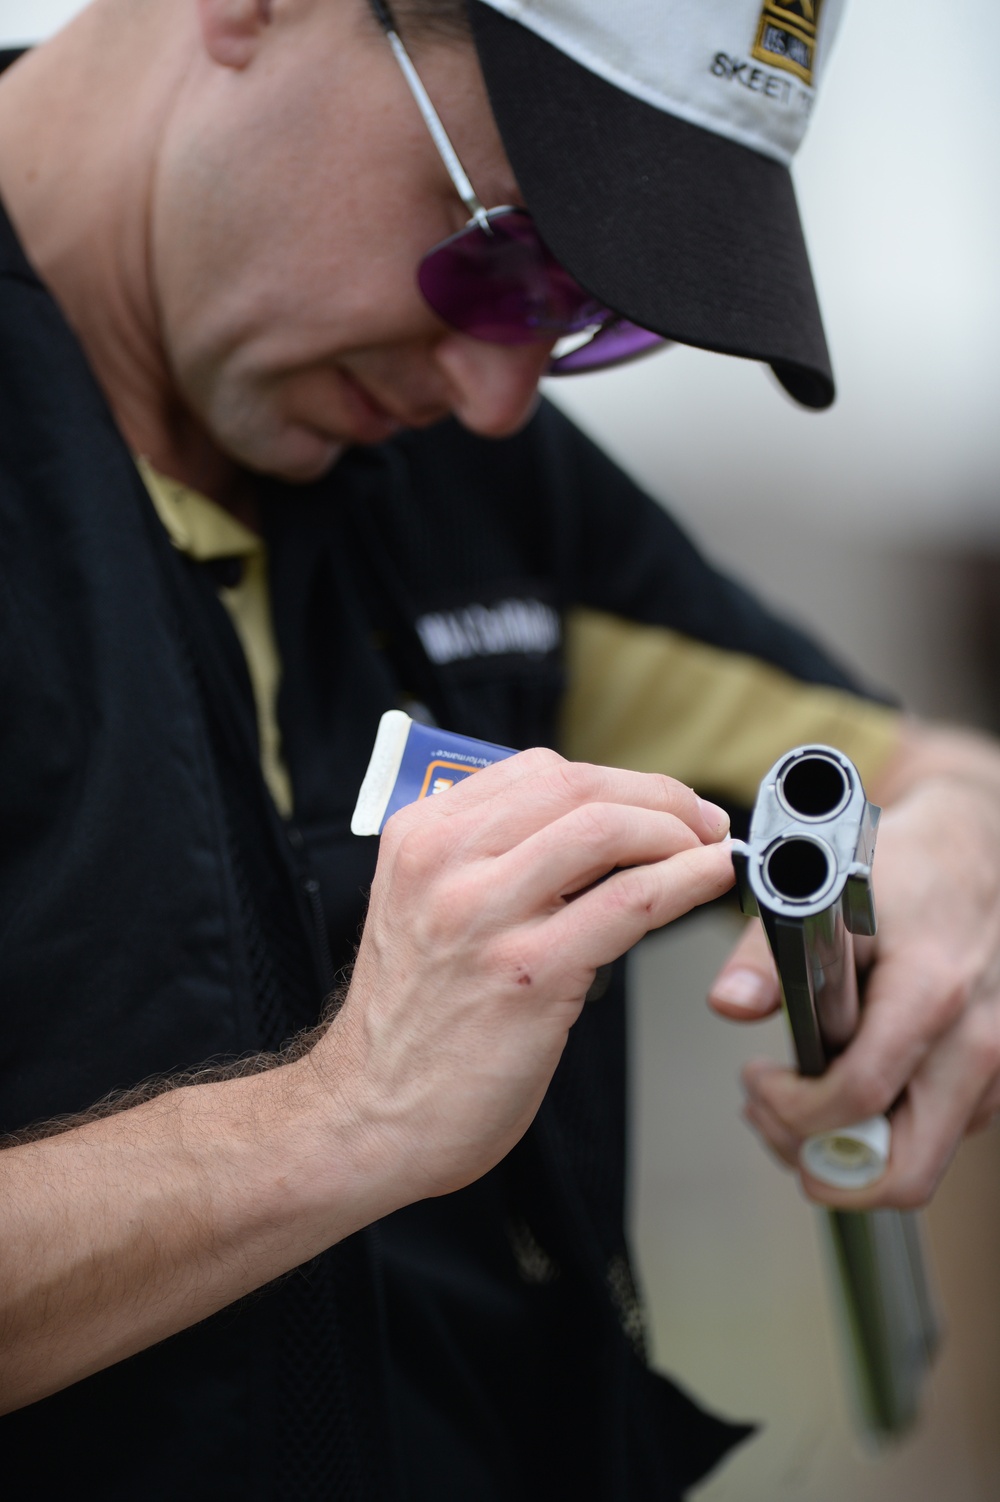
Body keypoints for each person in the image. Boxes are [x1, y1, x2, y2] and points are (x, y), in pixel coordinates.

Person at [1, 0, 1000, 1496]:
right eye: (503, 252)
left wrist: (953, 872)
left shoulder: (470, 477)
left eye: (592, 316)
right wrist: (344, 1118)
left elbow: (927, 780)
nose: (496, 393)